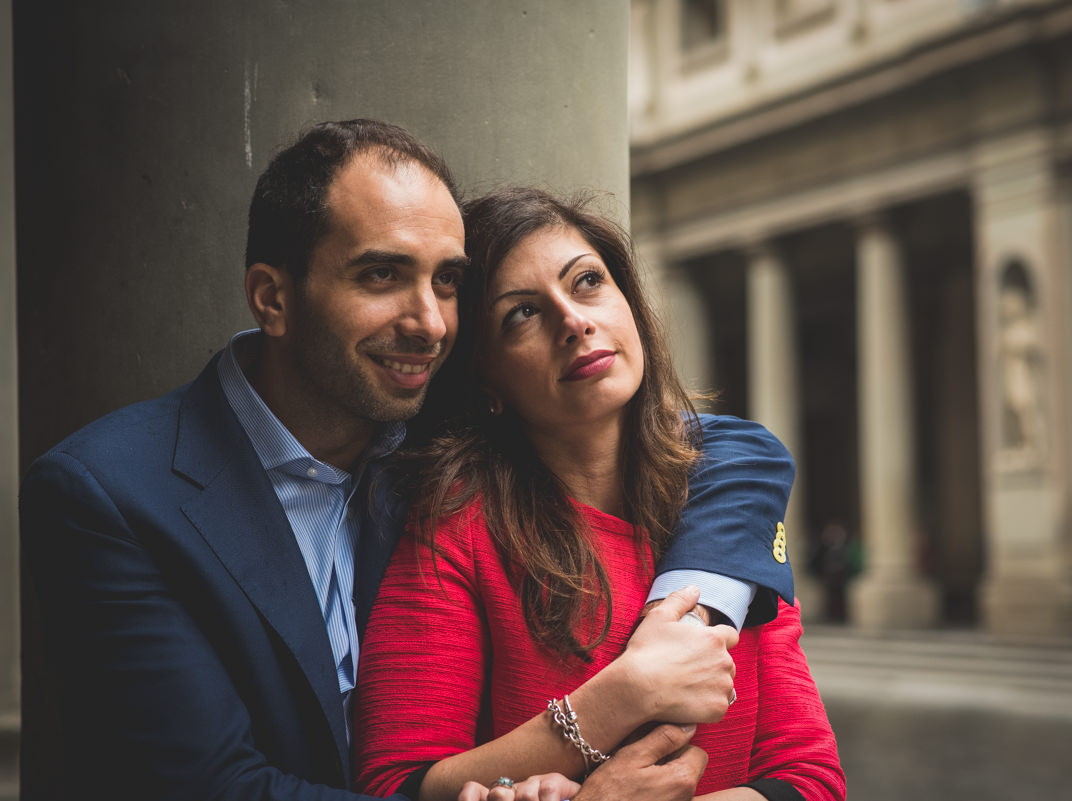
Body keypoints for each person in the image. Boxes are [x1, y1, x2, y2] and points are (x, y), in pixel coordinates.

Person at [20, 120, 797, 801]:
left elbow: (714, 444)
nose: (429, 323)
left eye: (449, 281)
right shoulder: (109, 494)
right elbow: (216, 790)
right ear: (272, 298)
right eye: (381, 275)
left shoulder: (429, 439)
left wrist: (674, 614)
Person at [353, 188, 846, 801]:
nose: (574, 321)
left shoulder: (726, 509)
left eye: (587, 282)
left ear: (629, 304)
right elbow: (394, 784)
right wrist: (620, 697)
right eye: (521, 314)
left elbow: (811, 780)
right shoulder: (456, 530)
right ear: (487, 377)